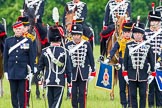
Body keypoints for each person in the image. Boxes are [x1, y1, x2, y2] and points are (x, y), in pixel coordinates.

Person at [36, 25, 72, 108]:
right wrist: (69, 81)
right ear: (60, 40)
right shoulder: (65, 52)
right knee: (56, 105)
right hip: (60, 82)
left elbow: (40, 68)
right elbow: (68, 69)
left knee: (51, 104)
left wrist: (39, 80)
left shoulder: (44, 51)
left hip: (48, 81)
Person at [123, 22, 155, 108]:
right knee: (132, 95)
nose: (137, 35)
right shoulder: (129, 45)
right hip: (131, 74)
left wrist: (153, 73)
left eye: (139, 33)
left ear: (142, 34)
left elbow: (152, 60)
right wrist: (125, 73)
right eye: (135, 33)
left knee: (143, 95)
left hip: (143, 74)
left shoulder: (147, 45)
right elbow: (125, 60)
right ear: (133, 34)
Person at [3, 21, 34, 108]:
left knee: (22, 94)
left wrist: (31, 71)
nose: (18, 31)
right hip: (12, 71)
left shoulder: (28, 41)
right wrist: (6, 71)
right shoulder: (8, 41)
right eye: (16, 29)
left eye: (20, 29)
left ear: (23, 30)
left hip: (23, 72)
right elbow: (6, 58)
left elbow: (31, 57)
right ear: (13, 29)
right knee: (13, 94)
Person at [65, 24, 96, 108]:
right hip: (72, 73)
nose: (76, 37)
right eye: (74, 35)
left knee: (82, 93)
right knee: (73, 93)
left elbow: (91, 58)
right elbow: (66, 61)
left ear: (81, 35)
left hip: (83, 72)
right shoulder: (67, 46)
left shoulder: (86, 44)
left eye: (78, 35)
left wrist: (93, 71)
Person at [104, 22, 133, 108]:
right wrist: (109, 58)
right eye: (126, 32)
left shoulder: (133, 42)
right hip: (121, 64)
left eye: (129, 32)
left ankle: (130, 103)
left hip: (131, 66)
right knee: (122, 86)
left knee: (131, 86)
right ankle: (123, 103)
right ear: (123, 33)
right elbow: (112, 50)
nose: (127, 34)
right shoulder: (119, 42)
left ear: (131, 33)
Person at [144, 10, 162, 107]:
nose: (153, 23)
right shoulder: (145, 33)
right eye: (152, 20)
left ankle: (159, 105)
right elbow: (144, 48)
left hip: (160, 63)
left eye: (156, 21)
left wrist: (159, 61)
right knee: (150, 86)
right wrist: (149, 62)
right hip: (149, 63)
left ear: (159, 22)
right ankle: (150, 105)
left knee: (160, 86)